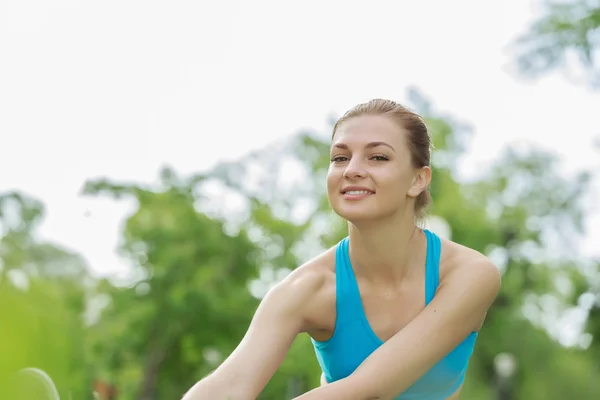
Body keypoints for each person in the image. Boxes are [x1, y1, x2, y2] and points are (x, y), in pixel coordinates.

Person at [182, 99, 501, 400]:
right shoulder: (306, 289)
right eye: (340, 157)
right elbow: (228, 387)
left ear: (418, 179)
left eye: (378, 157)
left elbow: (368, 391)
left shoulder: (469, 274)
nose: (352, 170)